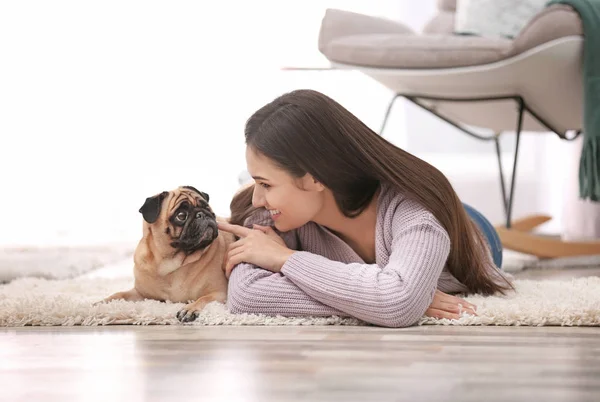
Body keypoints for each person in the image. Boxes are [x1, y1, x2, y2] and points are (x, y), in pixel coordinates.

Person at [217, 89, 514, 328]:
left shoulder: (415, 213)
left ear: (314, 176)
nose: (257, 199)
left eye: (266, 185)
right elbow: (247, 296)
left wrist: (285, 259)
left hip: (470, 230)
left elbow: (397, 303)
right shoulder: (269, 216)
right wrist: (376, 299)